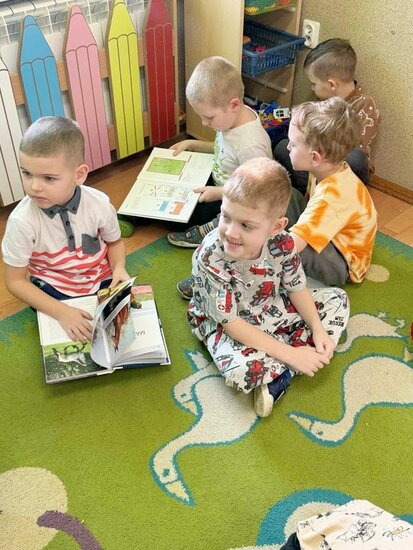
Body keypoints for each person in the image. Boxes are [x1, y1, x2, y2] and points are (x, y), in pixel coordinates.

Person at [188, 157, 349, 418]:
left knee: (338, 300)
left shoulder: (283, 243)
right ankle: (290, 362)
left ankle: (282, 366)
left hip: (269, 307)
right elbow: (230, 323)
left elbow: (296, 287)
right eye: (225, 217)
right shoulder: (210, 256)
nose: (230, 232)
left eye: (246, 225)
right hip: (227, 323)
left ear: (276, 227)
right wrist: (291, 355)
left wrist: (318, 328)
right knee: (240, 371)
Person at [1, 116, 130, 342]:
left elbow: (115, 243)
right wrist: (61, 312)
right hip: (54, 288)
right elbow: (15, 281)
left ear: (79, 175)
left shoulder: (99, 204)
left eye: (49, 178)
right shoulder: (21, 222)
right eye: (27, 173)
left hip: (101, 279)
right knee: (69, 335)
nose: (34, 186)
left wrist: (119, 268)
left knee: (121, 327)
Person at [166, 56, 273, 298]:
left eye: (209, 117)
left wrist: (220, 193)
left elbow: (258, 189)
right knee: (175, 199)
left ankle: (210, 268)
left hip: (237, 201)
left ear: (234, 104)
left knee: (181, 216)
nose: (204, 122)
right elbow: (224, 151)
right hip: (219, 186)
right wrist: (194, 145)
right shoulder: (232, 120)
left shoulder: (250, 144)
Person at [286, 97, 378, 286]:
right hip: (331, 235)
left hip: (341, 264)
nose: (288, 147)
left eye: (293, 144)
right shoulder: (326, 169)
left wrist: (256, 247)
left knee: (286, 249)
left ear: (315, 157)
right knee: (284, 193)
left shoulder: (329, 196)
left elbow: (291, 246)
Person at [274, 38, 380, 194]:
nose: (312, 88)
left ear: (331, 84)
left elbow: (351, 148)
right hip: (316, 158)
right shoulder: (323, 100)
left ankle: (325, 191)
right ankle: (310, 190)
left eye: (313, 84)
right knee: (283, 147)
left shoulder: (364, 105)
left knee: (356, 159)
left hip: (340, 164)